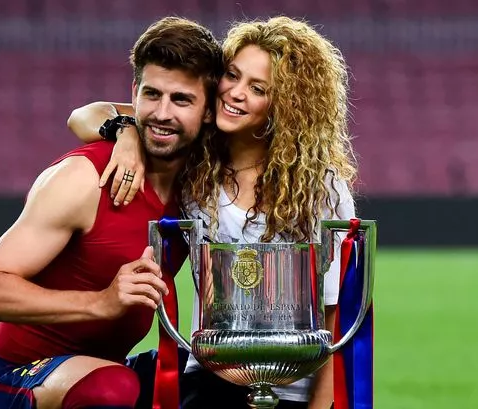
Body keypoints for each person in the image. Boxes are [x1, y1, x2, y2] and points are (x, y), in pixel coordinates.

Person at [67, 16, 356, 409]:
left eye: (257, 88)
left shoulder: (319, 186)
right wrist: (127, 132)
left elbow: (333, 315)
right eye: (232, 76)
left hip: (291, 389)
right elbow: (84, 115)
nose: (235, 93)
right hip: (210, 378)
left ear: (285, 105)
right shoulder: (195, 160)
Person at [0, 16, 222, 409]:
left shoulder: (199, 181)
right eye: (151, 95)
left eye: (181, 99)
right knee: (112, 390)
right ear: (134, 92)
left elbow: (90, 113)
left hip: (107, 369)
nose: (162, 113)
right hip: (14, 379)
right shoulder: (85, 178)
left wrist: (126, 129)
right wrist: (101, 302)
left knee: (219, 377)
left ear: (207, 110)